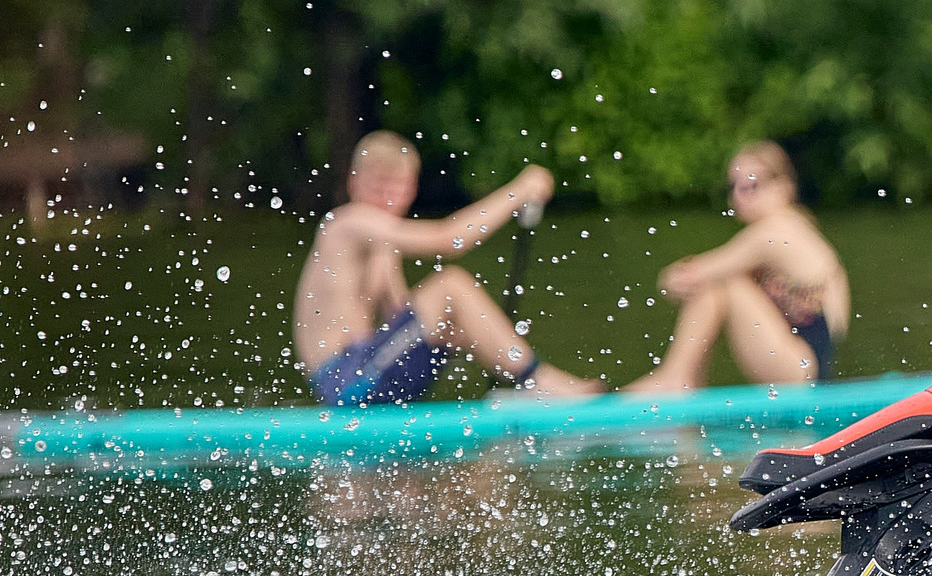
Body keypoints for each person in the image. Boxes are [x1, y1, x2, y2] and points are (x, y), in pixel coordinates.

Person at [294, 131, 600, 407]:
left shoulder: (383, 246)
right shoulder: (346, 223)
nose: (387, 196)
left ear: (412, 188)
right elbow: (448, 239)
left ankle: (523, 384)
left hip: (367, 375)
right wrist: (518, 192)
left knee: (447, 319)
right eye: (377, 184)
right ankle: (539, 381)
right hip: (345, 381)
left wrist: (472, 340)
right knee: (451, 284)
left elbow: (404, 320)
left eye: (396, 185)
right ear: (353, 182)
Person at [628, 141, 849, 393]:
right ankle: (682, 381)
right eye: (734, 186)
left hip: (801, 370)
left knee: (722, 281)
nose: (739, 196)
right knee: (721, 283)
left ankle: (675, 380)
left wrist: (668, 281)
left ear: (784, 187)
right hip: (812, 368)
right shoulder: (800, 228)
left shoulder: (772, 232)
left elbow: (686, 277)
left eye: (752, 185)